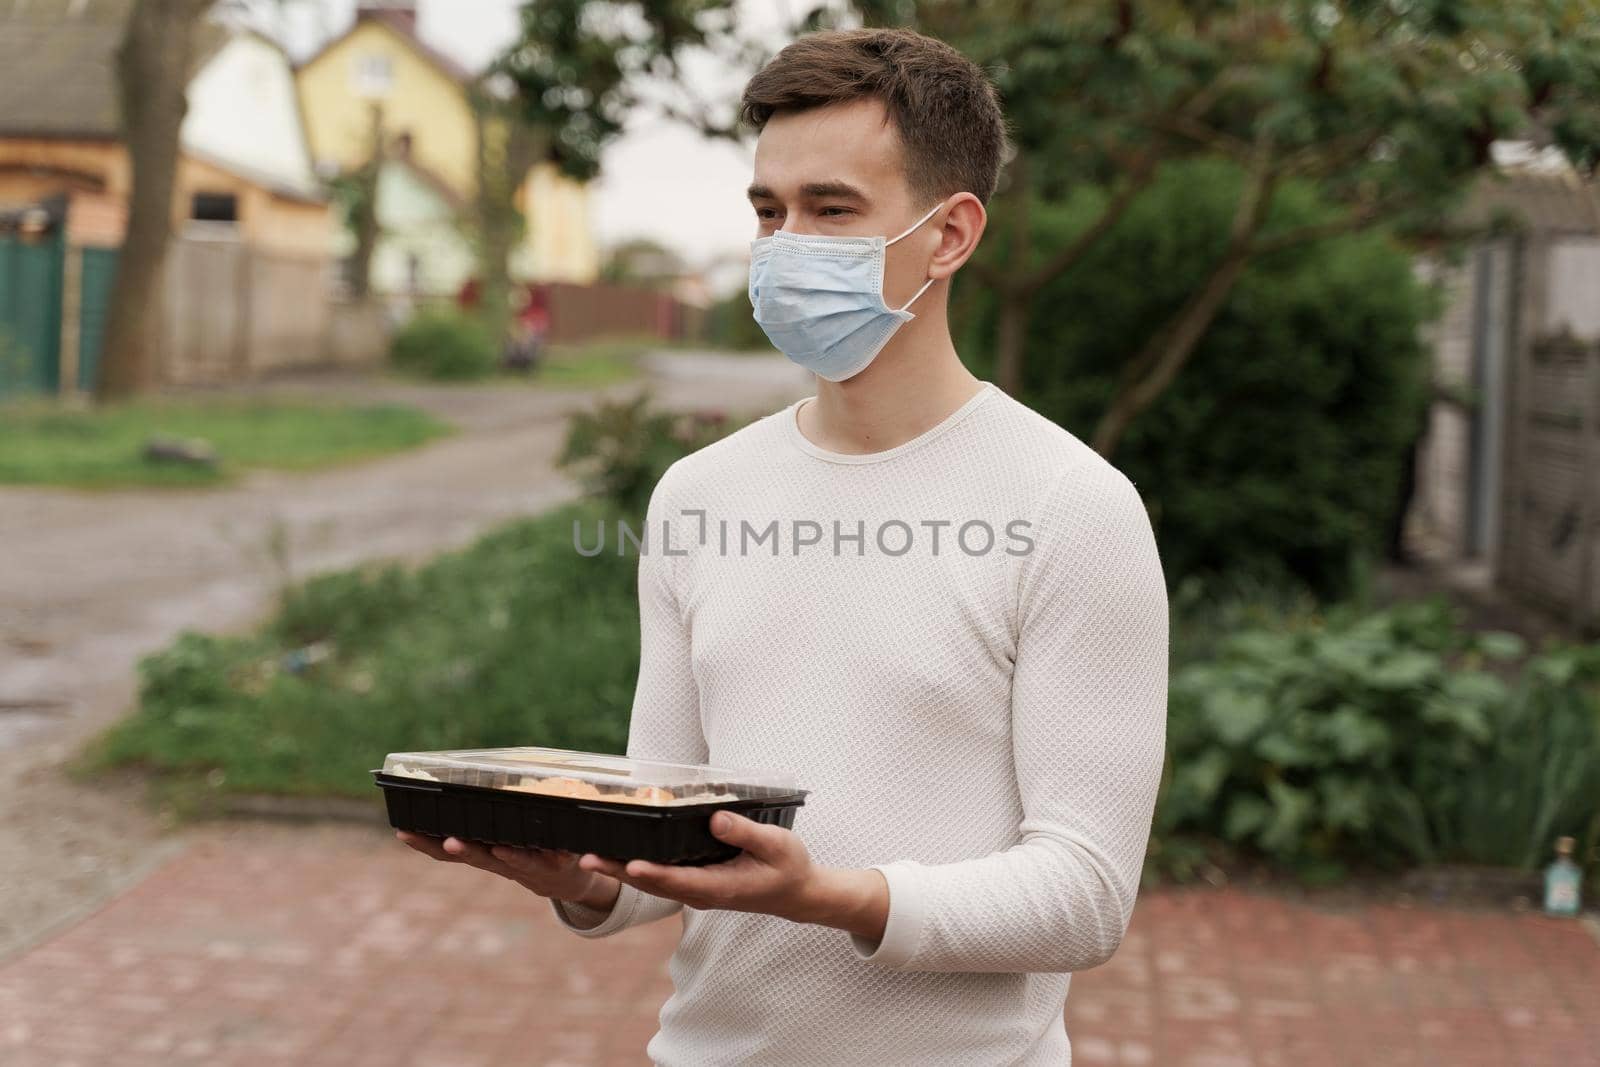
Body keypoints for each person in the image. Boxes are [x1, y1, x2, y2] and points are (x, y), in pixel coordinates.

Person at [398, 26, 1169, 1066]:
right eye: (769, 210)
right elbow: (667, 828)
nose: (785, 242)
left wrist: (825, 895)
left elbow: (1084, 893)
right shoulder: (695, 496)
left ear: (950, 235)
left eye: (832, 210)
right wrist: (586, 878)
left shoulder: (1073, 506)